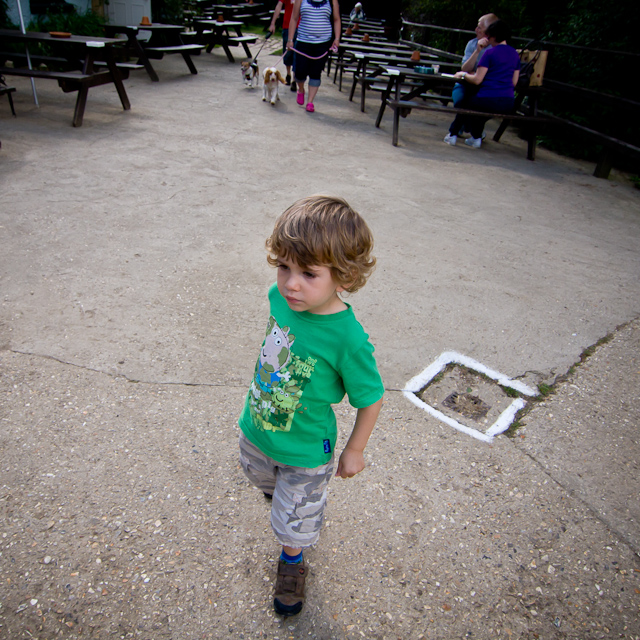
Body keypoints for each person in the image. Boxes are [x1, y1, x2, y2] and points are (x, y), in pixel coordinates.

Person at [238, 195, 385, 617]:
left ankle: (292, 559)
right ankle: (281, 498)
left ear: (344, 276)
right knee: (257, 475)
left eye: (308, 273)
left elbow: (371, 398)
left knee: (293, 524)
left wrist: (354, 450)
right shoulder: (278, 298)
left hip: (306, 453)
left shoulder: (348, 339)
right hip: (257, 427)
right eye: (283, 266)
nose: (291, 284)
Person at [444, 20, 520, 149]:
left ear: (494, 36)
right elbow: (514, 82)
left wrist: (463, 74)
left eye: (488, 36)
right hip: (507, 101)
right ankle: (476, 137)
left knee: (466, 104)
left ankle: (453, 134)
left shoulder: (489, 53)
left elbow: (477, 80)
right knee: (478, 110)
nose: (487, 39)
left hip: (488, 97)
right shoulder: (515, 54)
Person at [287, 0, 341, 113]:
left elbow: (336, 19)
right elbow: (294, 18)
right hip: (303, 41)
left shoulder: (332, 1)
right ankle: (301, 89)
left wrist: (336, 39)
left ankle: (310, 102)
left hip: (323, 43)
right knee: (299, 71)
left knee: (316, 73)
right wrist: (290, 39)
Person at [451, 13, 498, 109]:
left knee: (475, 108)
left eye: (480, 28)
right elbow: (465, 68)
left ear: (488, 32)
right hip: (465, 85)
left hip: (484, 88)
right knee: (461, 102)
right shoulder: (472, 44)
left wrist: (475, 74)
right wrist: (477, 51)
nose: (476, 30)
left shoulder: (496, 48)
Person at [268, 0, 296, 86]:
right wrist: (273, 23)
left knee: (297, 54)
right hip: (287, 26)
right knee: (288, 52)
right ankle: (288, 74)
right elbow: (279, 6)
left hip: (301, 27)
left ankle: (295, 79)